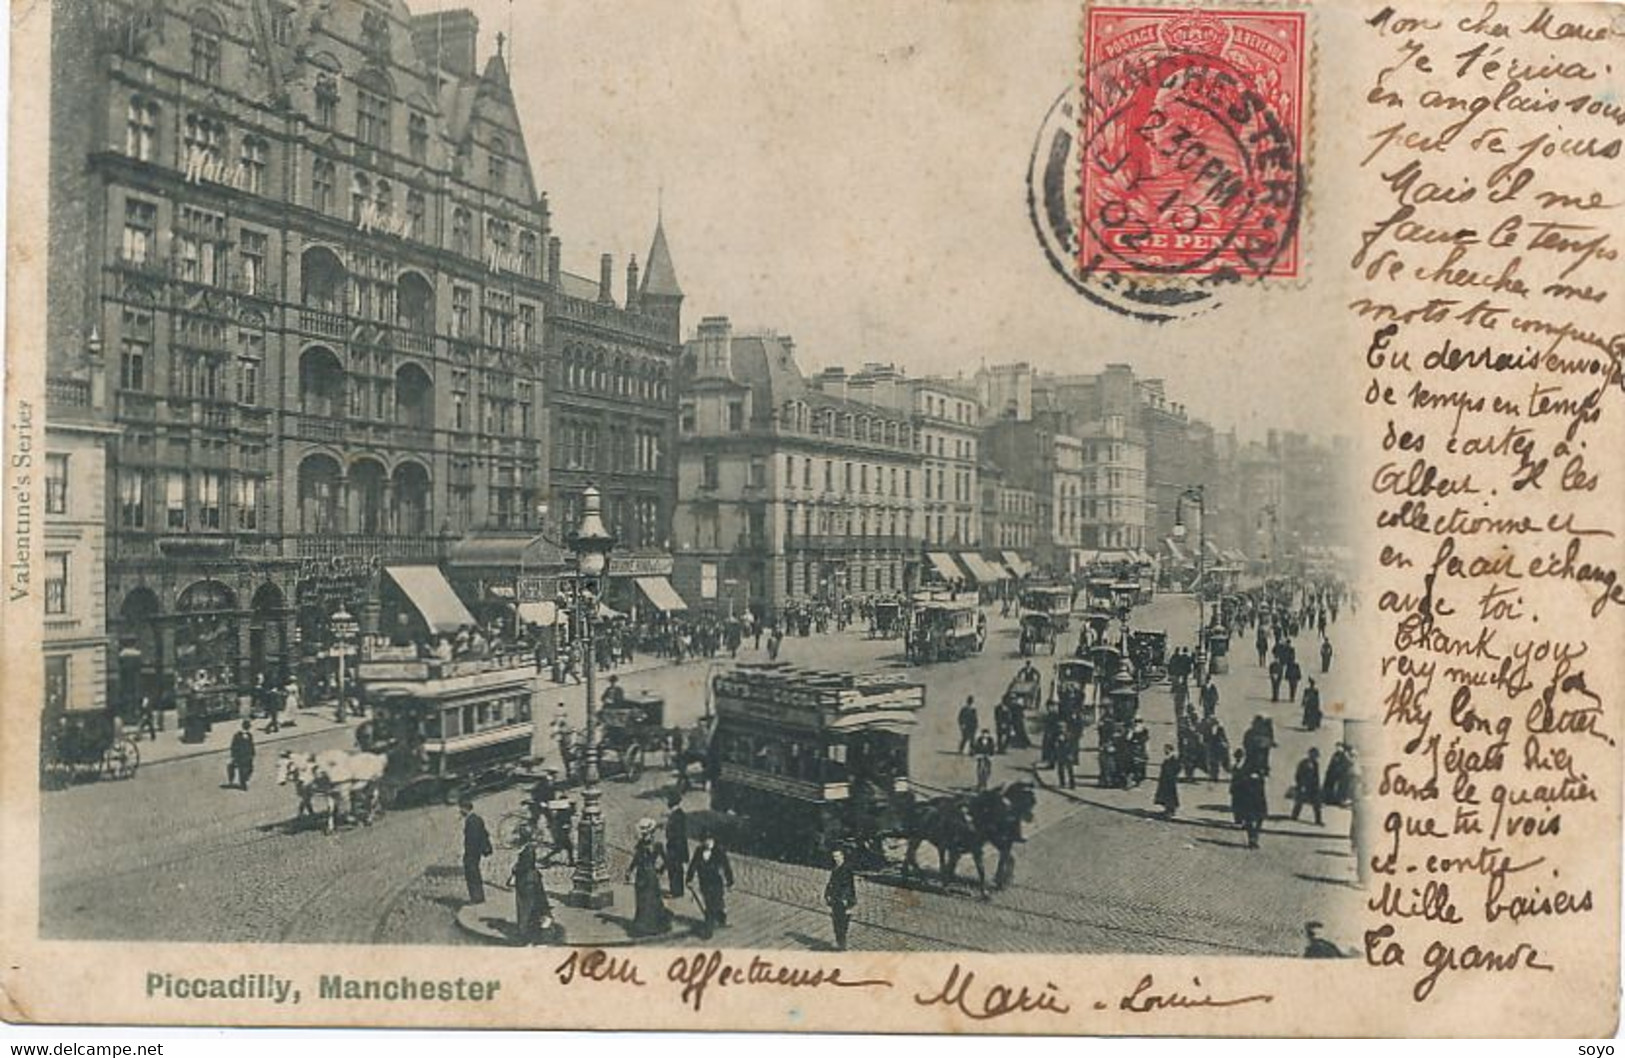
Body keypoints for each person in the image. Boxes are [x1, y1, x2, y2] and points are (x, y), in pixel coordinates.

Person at [508, 828, 554, 946]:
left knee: (526, 908)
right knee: (534, 908)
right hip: (531, 881)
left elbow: (525, 867)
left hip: (526, 883)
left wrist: (515, 869)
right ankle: (535, 934)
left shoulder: (528, 850)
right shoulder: (528, 848)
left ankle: (526, 935)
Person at [626, 818, 671, 936]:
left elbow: (666, 860)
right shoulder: (640, 844)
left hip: (651, 875)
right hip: (640, 875)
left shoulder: (657, 845)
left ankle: (653, 925)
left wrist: (660, 870)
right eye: (643, 833)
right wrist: (630, 870)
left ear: (651, 833)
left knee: (652, 900)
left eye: (647, 832)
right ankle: (642, 925)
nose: (644, 835)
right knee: (641, 900)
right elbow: (636, 858)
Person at [686, 834, 735, 939]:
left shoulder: (719, 851)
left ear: (713, 840)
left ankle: (708, 931)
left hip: (716, 883)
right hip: (704, 883)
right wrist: (689, 879)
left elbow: (726, 867)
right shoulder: (699, 851)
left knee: (713, 905)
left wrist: (730, 882)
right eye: (704, 840)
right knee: (710, 903)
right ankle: (719, 917)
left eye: (709, 840)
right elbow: (693, 865)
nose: (707, 843)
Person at [460, 799, 493, 905]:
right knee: (475, 874)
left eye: (461, 809)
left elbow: (472, 840)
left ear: (465, 809)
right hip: (476, 853)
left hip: (472, 853)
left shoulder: (471, 821)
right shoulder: (477, 819)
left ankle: (476, 898)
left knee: (472, 875)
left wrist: (468, 854)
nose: (460, 811)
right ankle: (479, 897)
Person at [824, 848, 857, 951]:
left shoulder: (846, 869)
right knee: (836, 921)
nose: (836, 859)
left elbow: (848, 886)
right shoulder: (836, 868)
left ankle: (842, 945)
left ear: (842, 856)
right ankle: (839, 943)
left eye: (838, 856)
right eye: (834, 857)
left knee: (842, 922)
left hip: (843, 899)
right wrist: (827, 894)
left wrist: (846, 900)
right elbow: (831, 883)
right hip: (836, 898)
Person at [665, 792, 690, 898]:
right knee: (674, 869)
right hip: (675, 846)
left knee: (675, 870)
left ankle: (676, 891)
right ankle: (676, 890)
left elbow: (678, 834)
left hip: (676, 847)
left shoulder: (678, 815)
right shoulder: (677, 814)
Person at [1292, 747, 1324, 825]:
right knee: (1299, 802)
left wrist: (1318, 787)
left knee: (1317, 804)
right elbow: (1298, 775)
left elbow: (1316, 777)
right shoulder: (1303, 763)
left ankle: (1318, 820)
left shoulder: (1316, 764)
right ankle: (1294, 816)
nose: (1315, 758)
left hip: (1313, 787)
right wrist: (1301, 785)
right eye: (1314, 756)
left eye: (1316, 756)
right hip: (1304, 786)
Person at [1153, 744, 1180, 817]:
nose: (1165, 751)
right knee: (1165, 795)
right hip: (1165, 780)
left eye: (1166, 749)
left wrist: (1172, 775)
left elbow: (1176, 768)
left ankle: (1170, 811)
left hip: (1170, 780)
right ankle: (1167, 810)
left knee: (1170, 795)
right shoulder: (1168, 758)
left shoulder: (1173, 758)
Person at [227, 720, 255, 790]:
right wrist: (234, 755)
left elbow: (251, 744)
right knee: (242, 770)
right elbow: (233, 746)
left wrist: (253, 753)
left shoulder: (249, 735)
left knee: (250, 769)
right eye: (248, 726)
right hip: (240, 756)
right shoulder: (237, 735)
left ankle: (245, 779)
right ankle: (243, 784)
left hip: (248, 756)